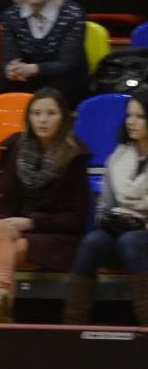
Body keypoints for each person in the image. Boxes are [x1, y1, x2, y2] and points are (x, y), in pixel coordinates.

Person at [0, 87, 91, 323]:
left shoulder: (74, 155)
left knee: (7, 251)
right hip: (11, 232)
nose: (43, 120)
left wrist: (32, 222)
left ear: (63, 118)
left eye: (50, 113)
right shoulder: (15, 147)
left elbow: (77, 219)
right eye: (36, 113)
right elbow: (3, 207)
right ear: (28, 117)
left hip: (57, 238)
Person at [63, 89, 148, 326]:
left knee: (130, 241)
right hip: (123, 233)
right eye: (129, 115)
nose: (131, 122)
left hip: (139, 238)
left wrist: (140, 221)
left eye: (140, 116)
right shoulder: (117, 157)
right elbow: (104, 207)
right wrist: (112, 217)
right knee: (92, 241)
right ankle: (73, 324)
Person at [0, 0, 87, 106]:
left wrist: (34, 69)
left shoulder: (73, 15)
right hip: (27, 78)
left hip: (66, 79)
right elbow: (9, 58)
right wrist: (11, 69)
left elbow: (67, 64)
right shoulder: (10, 16)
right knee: (2, 87)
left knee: (56, 89)